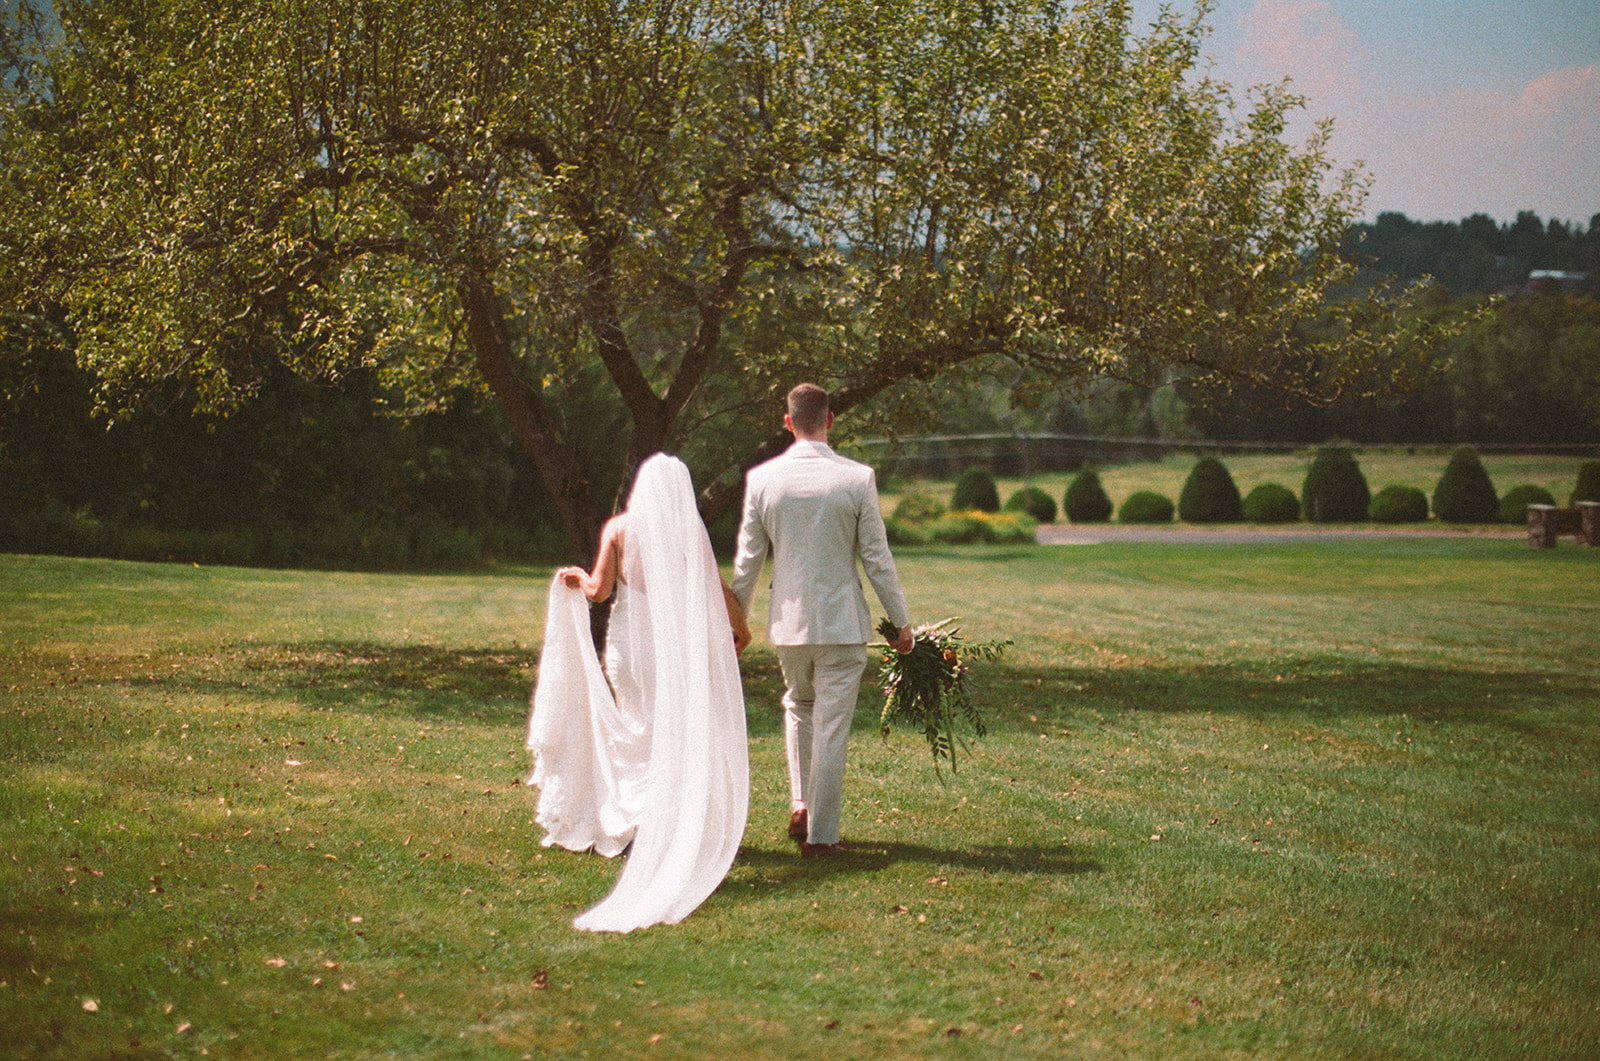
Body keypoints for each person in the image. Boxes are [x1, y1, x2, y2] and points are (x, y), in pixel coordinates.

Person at [526, 453, 751, 932]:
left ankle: (632, 820)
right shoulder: (686, 532)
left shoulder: (618, 529)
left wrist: (577, 579)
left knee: (633, 725)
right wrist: (741, 626)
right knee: (668, 729)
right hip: (670, 648)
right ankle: (662, 821)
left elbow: (599, 591)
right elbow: (714, 588)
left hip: (628, 649)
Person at [730, 383, 914, 858]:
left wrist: (737, 625)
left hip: (789, 624)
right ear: (830, 420)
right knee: (830, 725)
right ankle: (822, 835)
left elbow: (747, 562)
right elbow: (877, 558)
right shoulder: (857, 478)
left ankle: (801, 804)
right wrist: (901, 622)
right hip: (841, 623)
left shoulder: (762, 479)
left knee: (799, 706)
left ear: (787, 422)